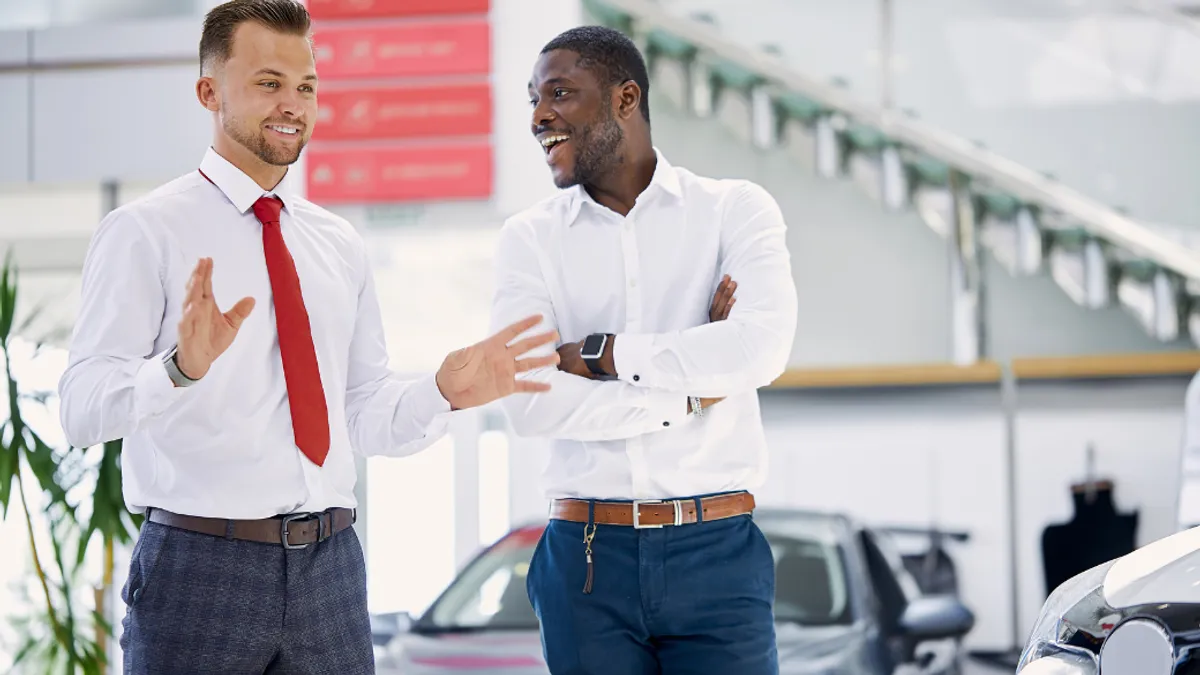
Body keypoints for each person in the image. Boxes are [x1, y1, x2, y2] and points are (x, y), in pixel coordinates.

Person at [56, 1, 557, 673]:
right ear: (209, 92)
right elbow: (80, 407)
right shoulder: (145, 231)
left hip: (331, 568)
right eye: (268, 83)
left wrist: (441, 391)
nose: (292, 103)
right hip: (201, 570)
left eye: (306, 86)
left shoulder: (335, 243)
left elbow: (362, 411)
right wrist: (179, 368)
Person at [489, 25, 798, 675]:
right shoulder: (528, 239)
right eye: (533, 99)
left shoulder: (733, 211)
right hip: (585, 560)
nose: (540, 116)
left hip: (717, 552)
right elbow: (527, 402)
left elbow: (761, 348)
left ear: (625, 98)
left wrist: (602, 354)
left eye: (561, 93)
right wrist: (693, 392)